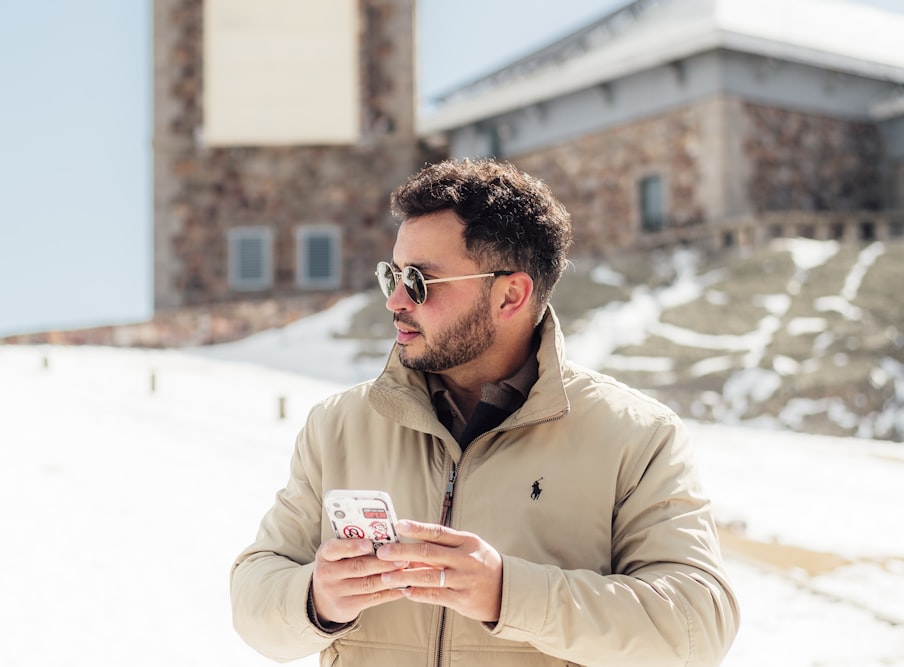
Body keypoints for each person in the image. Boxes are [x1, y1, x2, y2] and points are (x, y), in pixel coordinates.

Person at [231, 158, 740, 666]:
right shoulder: (339, 426)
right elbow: (253, 595)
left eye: (421, 280)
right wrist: (316, 599)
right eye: (392, 276)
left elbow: (698, 628)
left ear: (510, 294)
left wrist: (509, 595)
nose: (396, 301)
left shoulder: (635, 436)